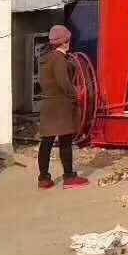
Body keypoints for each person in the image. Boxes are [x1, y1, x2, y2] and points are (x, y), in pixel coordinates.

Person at [37, 25, 88, 189]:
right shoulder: (59, 59)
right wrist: (75, 93)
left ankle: (43, 178)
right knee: (65, 141)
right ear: (66, 41)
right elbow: (63, 81)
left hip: (48, 104)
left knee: (46, 142)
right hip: (61, 105)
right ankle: (69, 176)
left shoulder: (45, 59)